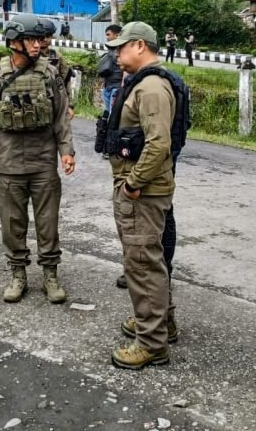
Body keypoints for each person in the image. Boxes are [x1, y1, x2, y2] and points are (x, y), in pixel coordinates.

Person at [0, 13, 75, 304]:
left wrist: (66, 151)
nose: (38, 45)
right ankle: (18, 274)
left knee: (48, 222)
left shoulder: (50, 74)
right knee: (12, 223)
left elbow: (61, 117)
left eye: (39, 39)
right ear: (15, 42)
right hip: (8, 161)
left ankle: (50, 275)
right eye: (31, 39)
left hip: (43, 162)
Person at [103, 22, 176, 370]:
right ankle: (159, 323)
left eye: (122, 47)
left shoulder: (151, 88)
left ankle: (151, 343)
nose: (117, 54)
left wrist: (133, 182)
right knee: (147, 259)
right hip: (141, 188)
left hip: (142, 192)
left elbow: (159, 143)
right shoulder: (143, 83)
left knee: (143, 264)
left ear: (141, 46)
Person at [39, 18, 75, 119]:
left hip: (54, 102)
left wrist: (69, 106)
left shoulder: (57, 57)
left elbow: (65, 82)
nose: (44, 39)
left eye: (48, 36)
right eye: (42, 36)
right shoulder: (29, 56)